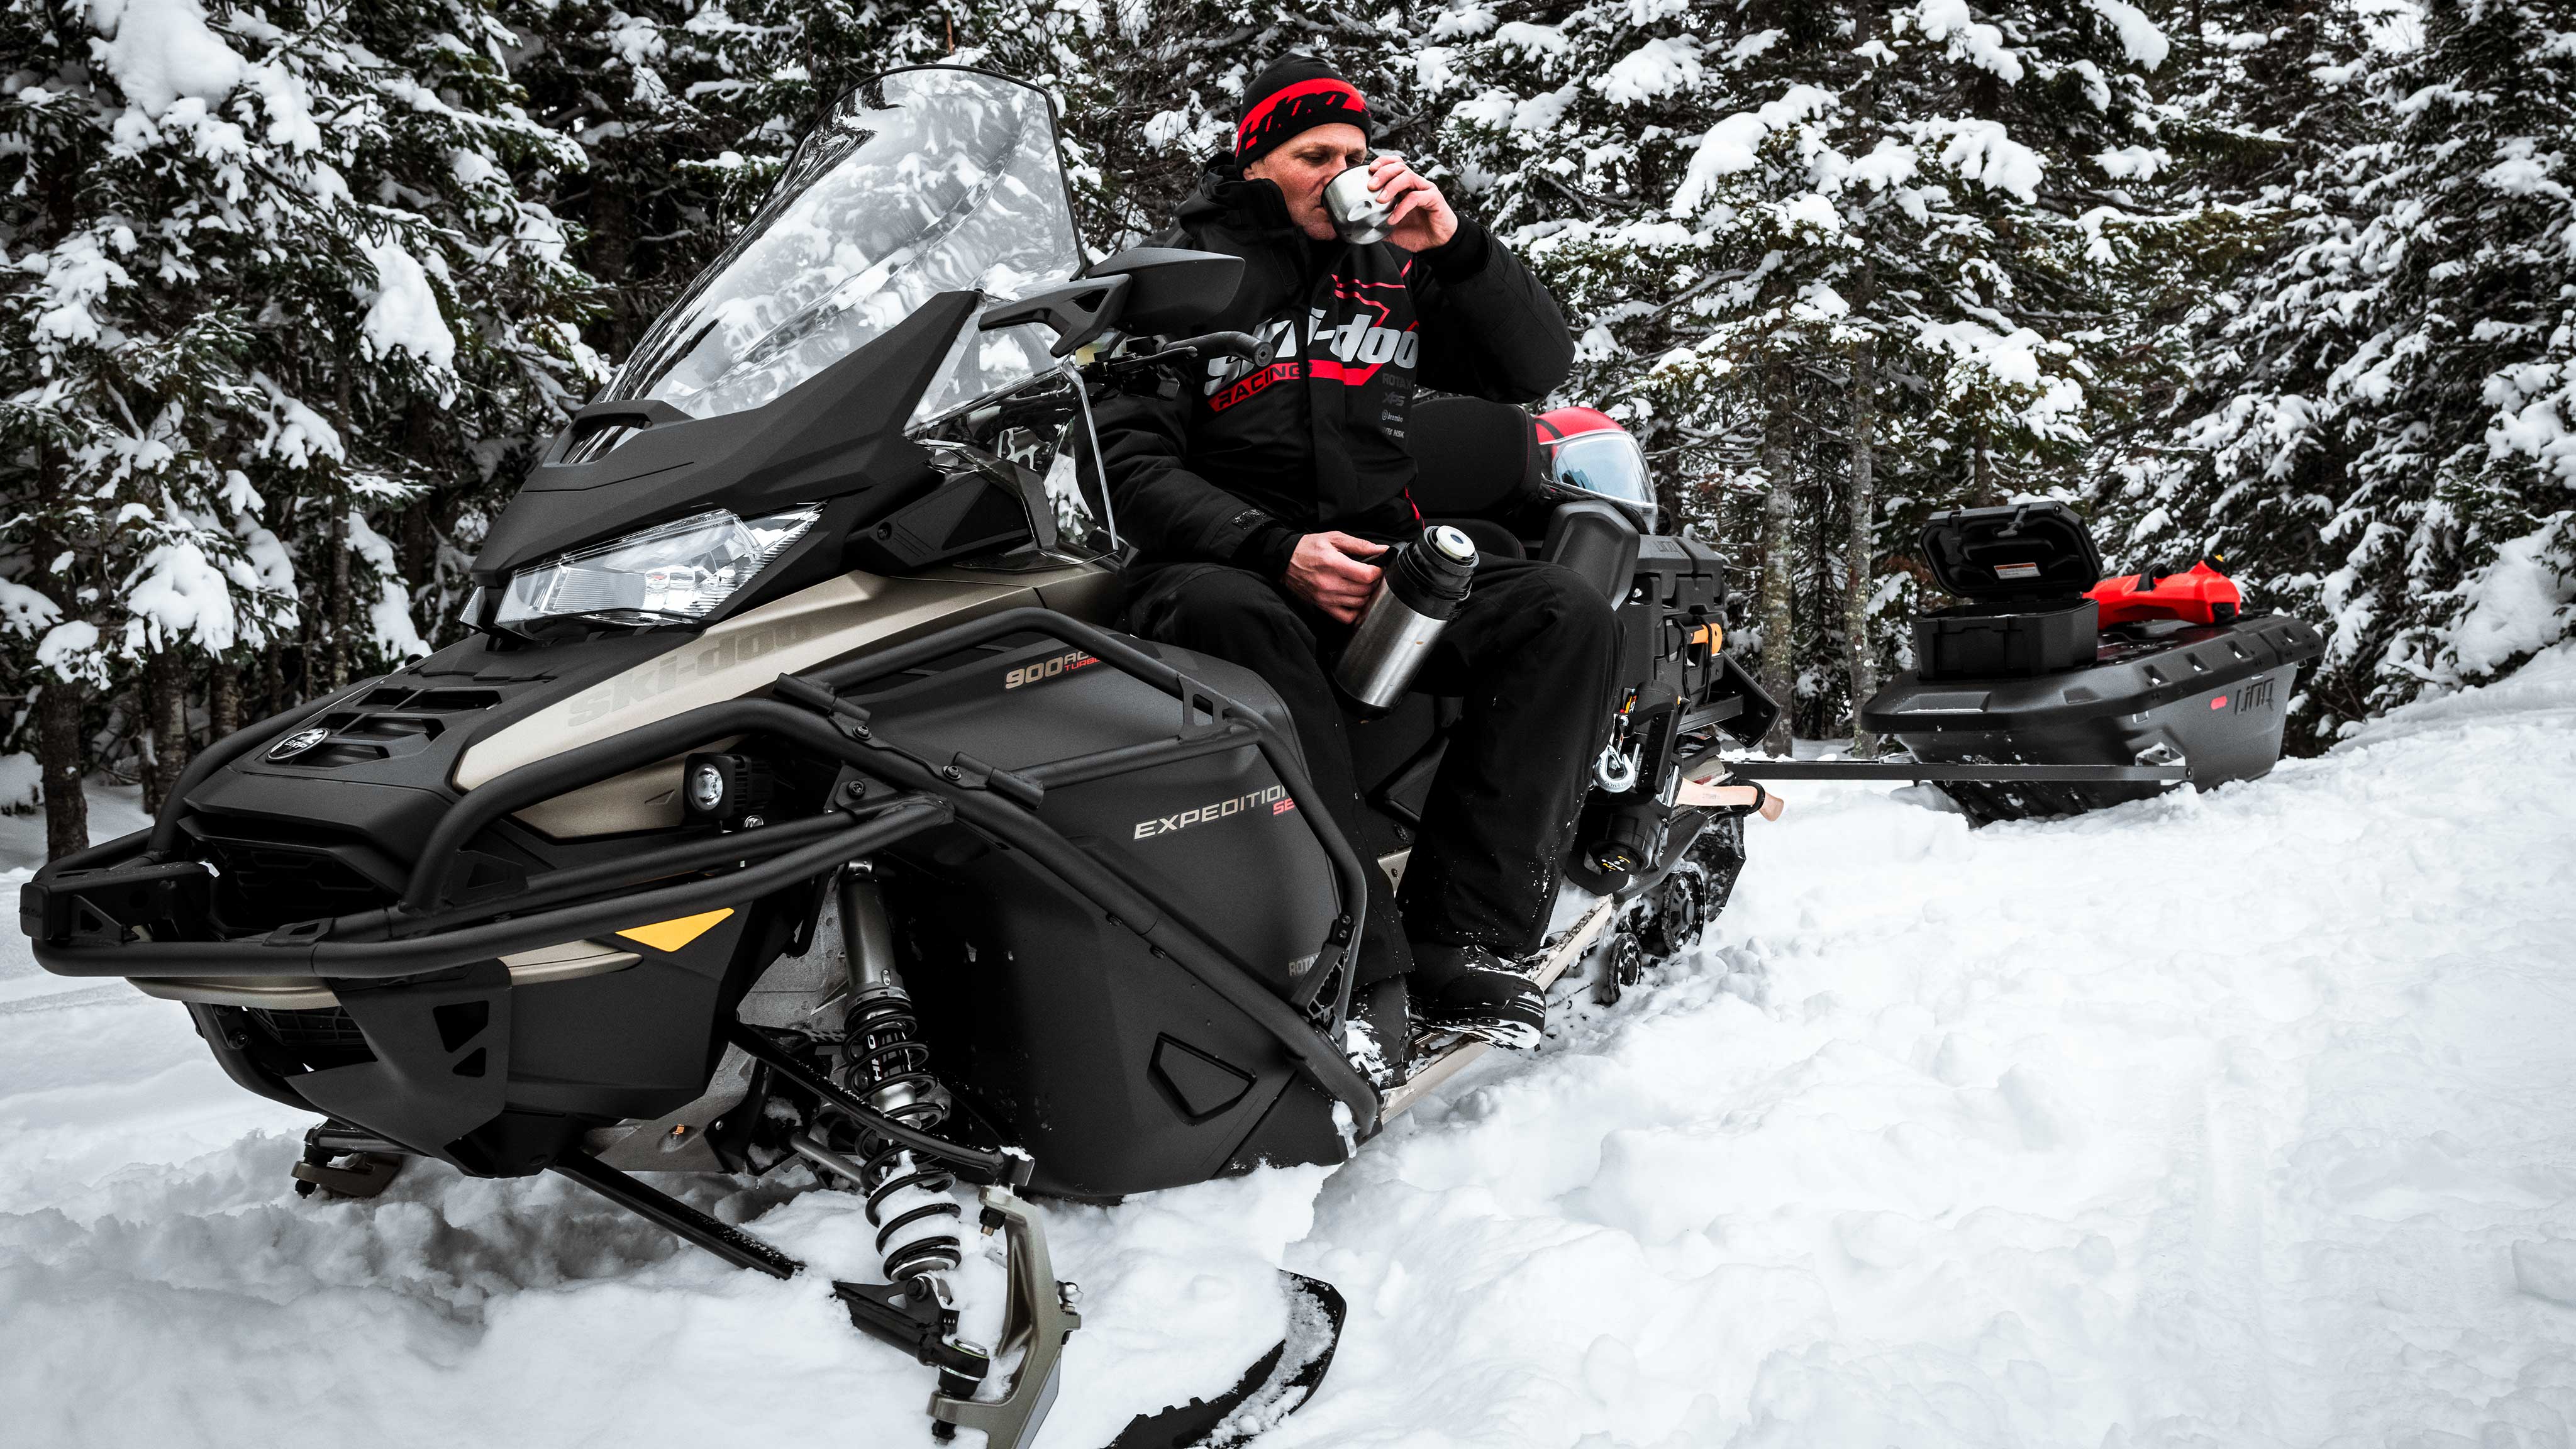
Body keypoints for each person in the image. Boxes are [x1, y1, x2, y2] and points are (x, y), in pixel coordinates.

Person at [1093, 53, 1616, 1053]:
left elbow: (1536, 368)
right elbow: (1126, 457)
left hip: (1383, 557)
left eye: (1357, 152)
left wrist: (1456, 249)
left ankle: (1467, 943)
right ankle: (1358, 967)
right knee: (1231, 614)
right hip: (1231, 560)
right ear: (1257, 164)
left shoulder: (1393, 263)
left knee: (1561, 614)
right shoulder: (1185, 276)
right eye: (1315, 153)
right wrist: (1275, 547)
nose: (1346, 169)